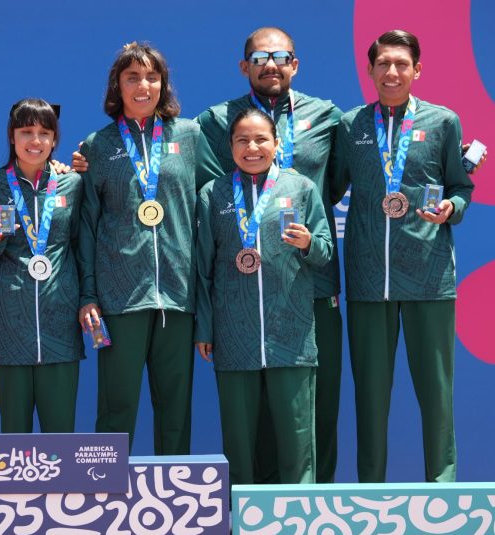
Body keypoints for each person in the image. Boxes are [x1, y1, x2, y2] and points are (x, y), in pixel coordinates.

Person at [195, 26, 344, 483]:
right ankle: (253, 508)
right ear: (245, 66)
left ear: (295, 63)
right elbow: (212, 212)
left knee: (309, 410)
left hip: (308, 289)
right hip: (241, 297)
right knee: (250, 417)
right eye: (260, 58)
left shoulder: (326, 117)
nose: (271, 65)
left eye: (280, 56)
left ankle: (310, 505)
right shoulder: (216, 123)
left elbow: (340, 181)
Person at [331, 29, 474, 482]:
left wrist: (452, 207)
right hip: (368, 279)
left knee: (436, 393)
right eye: (383, 64)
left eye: (401, 64)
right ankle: (371, 490)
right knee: (370, 397)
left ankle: (443, 489)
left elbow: (460, 187)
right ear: (370, 70)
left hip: (429, 277)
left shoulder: (443, 121)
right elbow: (327, 188)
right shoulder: (351, 125)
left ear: (417, 70)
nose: (391, 72)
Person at [76, 42, 203, 454]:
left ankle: (175, 490)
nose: (143, 85)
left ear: (163, 83)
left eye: (152, 76)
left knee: (175, 412)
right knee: (117, 409)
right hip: (120, 299)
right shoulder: (97, 145)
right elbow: (86, 227)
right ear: (118, 85)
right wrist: (90, 293)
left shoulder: (191, 135)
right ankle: (106, 490)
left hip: (178, 296)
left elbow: (217, 200)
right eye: (132, 77)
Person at [0, 98, 84, 433]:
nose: (36, 141)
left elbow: (83, 246)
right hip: (8, 326)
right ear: (11, 136)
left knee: (61, 436)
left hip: (59, 323)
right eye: (26, 132)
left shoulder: (72, 185)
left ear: (55, 138)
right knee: (14, 436)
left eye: (45, 133)